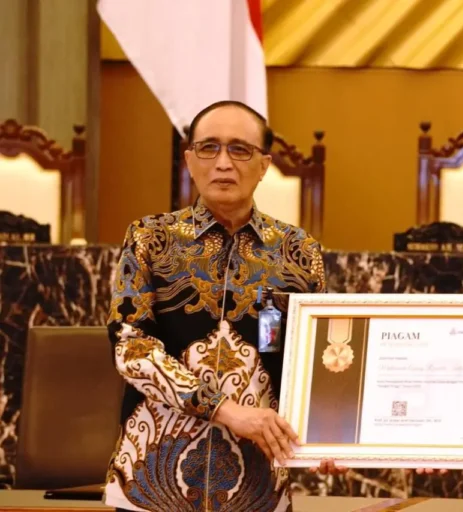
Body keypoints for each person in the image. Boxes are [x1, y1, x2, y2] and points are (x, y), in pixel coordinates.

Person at [104, 100, 342, 512]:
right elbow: (131, 347)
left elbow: (314, 360)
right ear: (189, 160)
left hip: (258, 489)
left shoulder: (299, 251)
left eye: (240, 149)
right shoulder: (149, 239)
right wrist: (222, 409)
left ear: (264, 165)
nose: (223, 163)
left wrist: (329, 436)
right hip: (149, 484)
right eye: (209, 147)